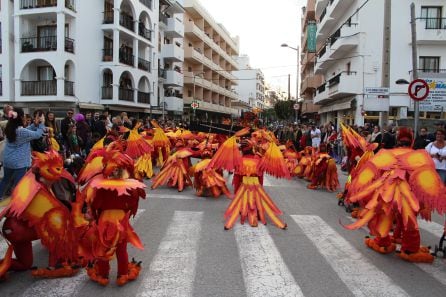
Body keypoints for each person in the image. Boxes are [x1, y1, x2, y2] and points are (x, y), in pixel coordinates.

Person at [0, 107, 46, 200]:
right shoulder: (21, 131)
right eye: (24, 115)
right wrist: (41, 124)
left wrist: (34, 124)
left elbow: (27, 131)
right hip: (19, 162)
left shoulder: (10, 128)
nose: (25, 117)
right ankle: (17, 200)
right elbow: (37, 135)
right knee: (19, 182)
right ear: (20, 117)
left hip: (8, 160)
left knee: (5, 179)